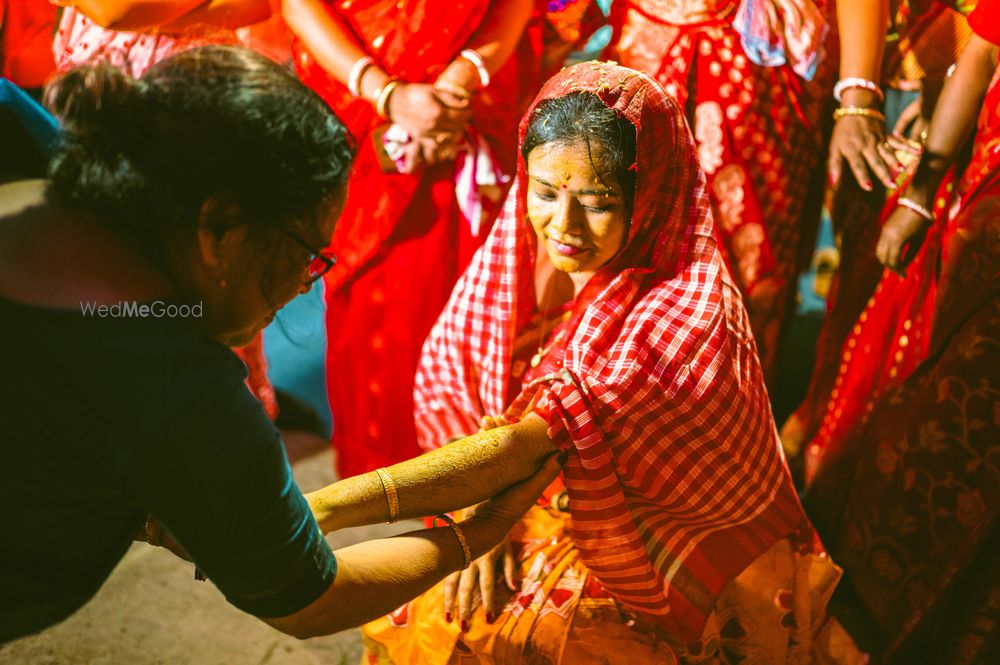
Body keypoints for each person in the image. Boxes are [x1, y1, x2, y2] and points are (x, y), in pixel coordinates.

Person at [0, 46, 565, 643]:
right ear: (222, 227)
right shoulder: (188, 400)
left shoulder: (32, 148)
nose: (305, 282)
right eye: (307, 253)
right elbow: (313, 597)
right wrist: (478, 533)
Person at [361, 62, 858, 663]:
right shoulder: (515, 263)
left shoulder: (687, 312)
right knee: (431, 612)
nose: (562, 227)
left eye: (597, 202)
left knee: (524, 638)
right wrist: (473, 517)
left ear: (649, 197)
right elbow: (457, 381)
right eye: (544, 192)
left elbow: (543, 441)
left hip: (642, 537)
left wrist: (477, 526)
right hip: (511, 496)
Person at [283, 0, 594, 478]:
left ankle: (476, 465)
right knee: (380, 301)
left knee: (481, 286)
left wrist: (458, 82)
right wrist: (387, 95)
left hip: (474, 99)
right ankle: (391, 474)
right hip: (358, 103)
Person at [799, 0, 1000, 656]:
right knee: (926, 393)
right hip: (970, 190)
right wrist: (919, 189)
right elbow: (982, 51)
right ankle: (852, 603)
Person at [780, 0, 974, 459]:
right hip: (883, 79)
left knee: (922, 297)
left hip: (961, 87)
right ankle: (824, 431)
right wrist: (859, 101)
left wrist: (949, 84)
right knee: (864, 280)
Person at [605, 0, 831, 383]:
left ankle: (741, 408)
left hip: (757, 62)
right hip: (647, 52)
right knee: (636, 249)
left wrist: (859, 97)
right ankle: (638, 404)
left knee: (755, 264)